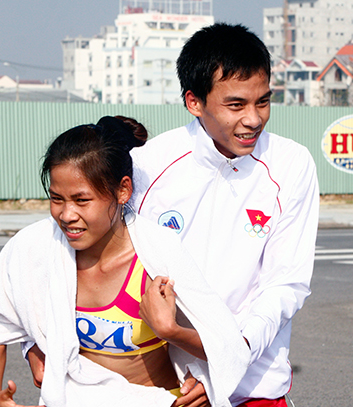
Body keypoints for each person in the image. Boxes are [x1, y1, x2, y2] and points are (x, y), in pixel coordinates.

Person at [0, 116, 250, 407]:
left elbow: (228, 349)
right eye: (56, 198)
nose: (67, 214)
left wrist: (171, 331)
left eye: (82, 200)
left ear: (123, 190)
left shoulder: (158, 255)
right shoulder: (33, 249)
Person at [129, 23, 319, 406]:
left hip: (255, 386)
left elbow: (285, 285)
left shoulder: (291, 164)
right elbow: (103, 268)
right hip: (170, 388)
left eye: (263, 101)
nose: (253, 119)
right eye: (236, 105)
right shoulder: (146, 166)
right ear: (194, 102)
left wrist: (226, 361)